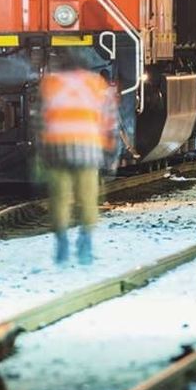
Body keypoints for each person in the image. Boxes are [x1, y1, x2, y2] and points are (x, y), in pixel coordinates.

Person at [37, 52, 118, 265]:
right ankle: (85, 243)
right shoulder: (96, 84)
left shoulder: (51, 83)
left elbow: (42, 119)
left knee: (60, 197)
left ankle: (62, 244)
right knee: (88, 196)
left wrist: (42, 149)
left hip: (58, 148)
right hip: (88, 148)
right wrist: (110, 149)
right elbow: (109, 119)